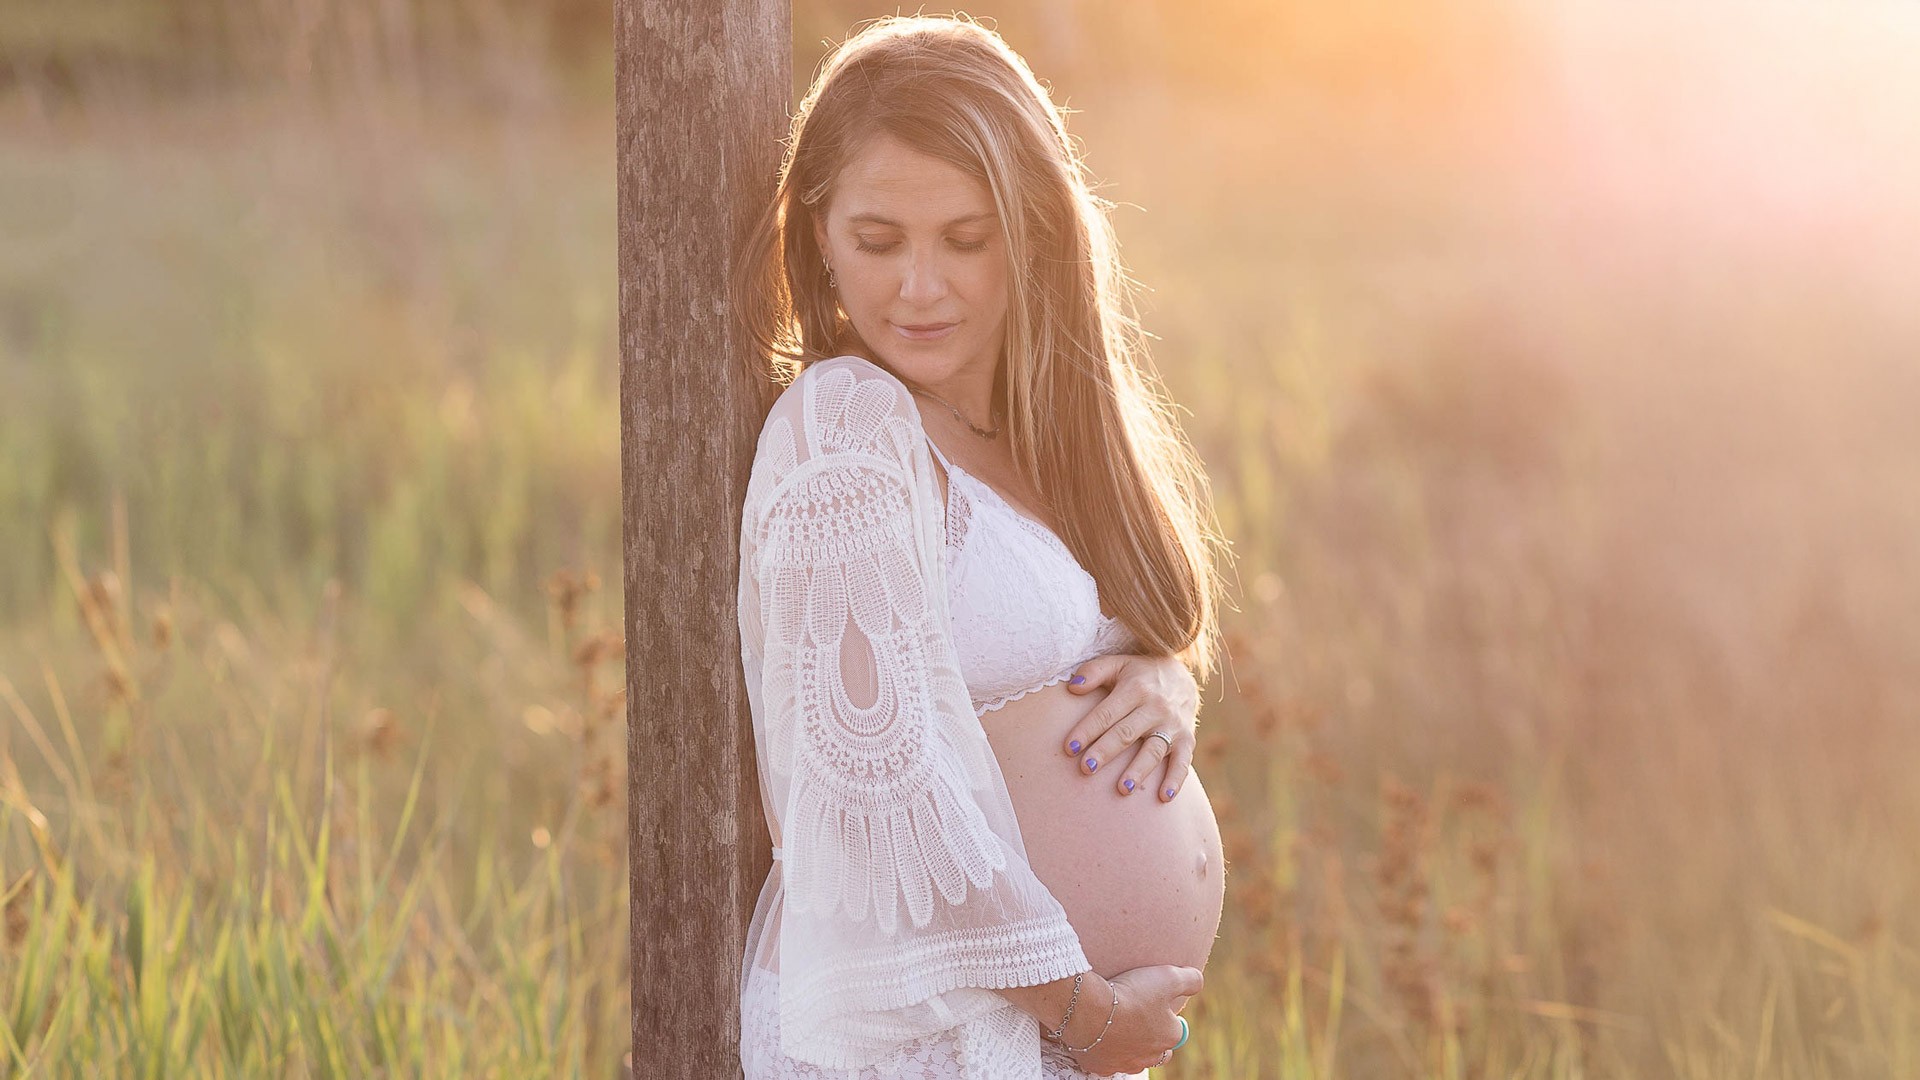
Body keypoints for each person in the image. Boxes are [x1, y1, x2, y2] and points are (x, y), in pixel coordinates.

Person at [732, 14, 1231, 1079]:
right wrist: (1084, 1011)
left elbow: (1114, 631)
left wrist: (1160, 685)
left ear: (1035, 232)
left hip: (1036, 1036)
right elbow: (870, 799)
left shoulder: (1043, 428)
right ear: (817, 234)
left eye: (966, 239)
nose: (920, 288)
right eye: (878, 241)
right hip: (926, 1040)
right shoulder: (849, 425)